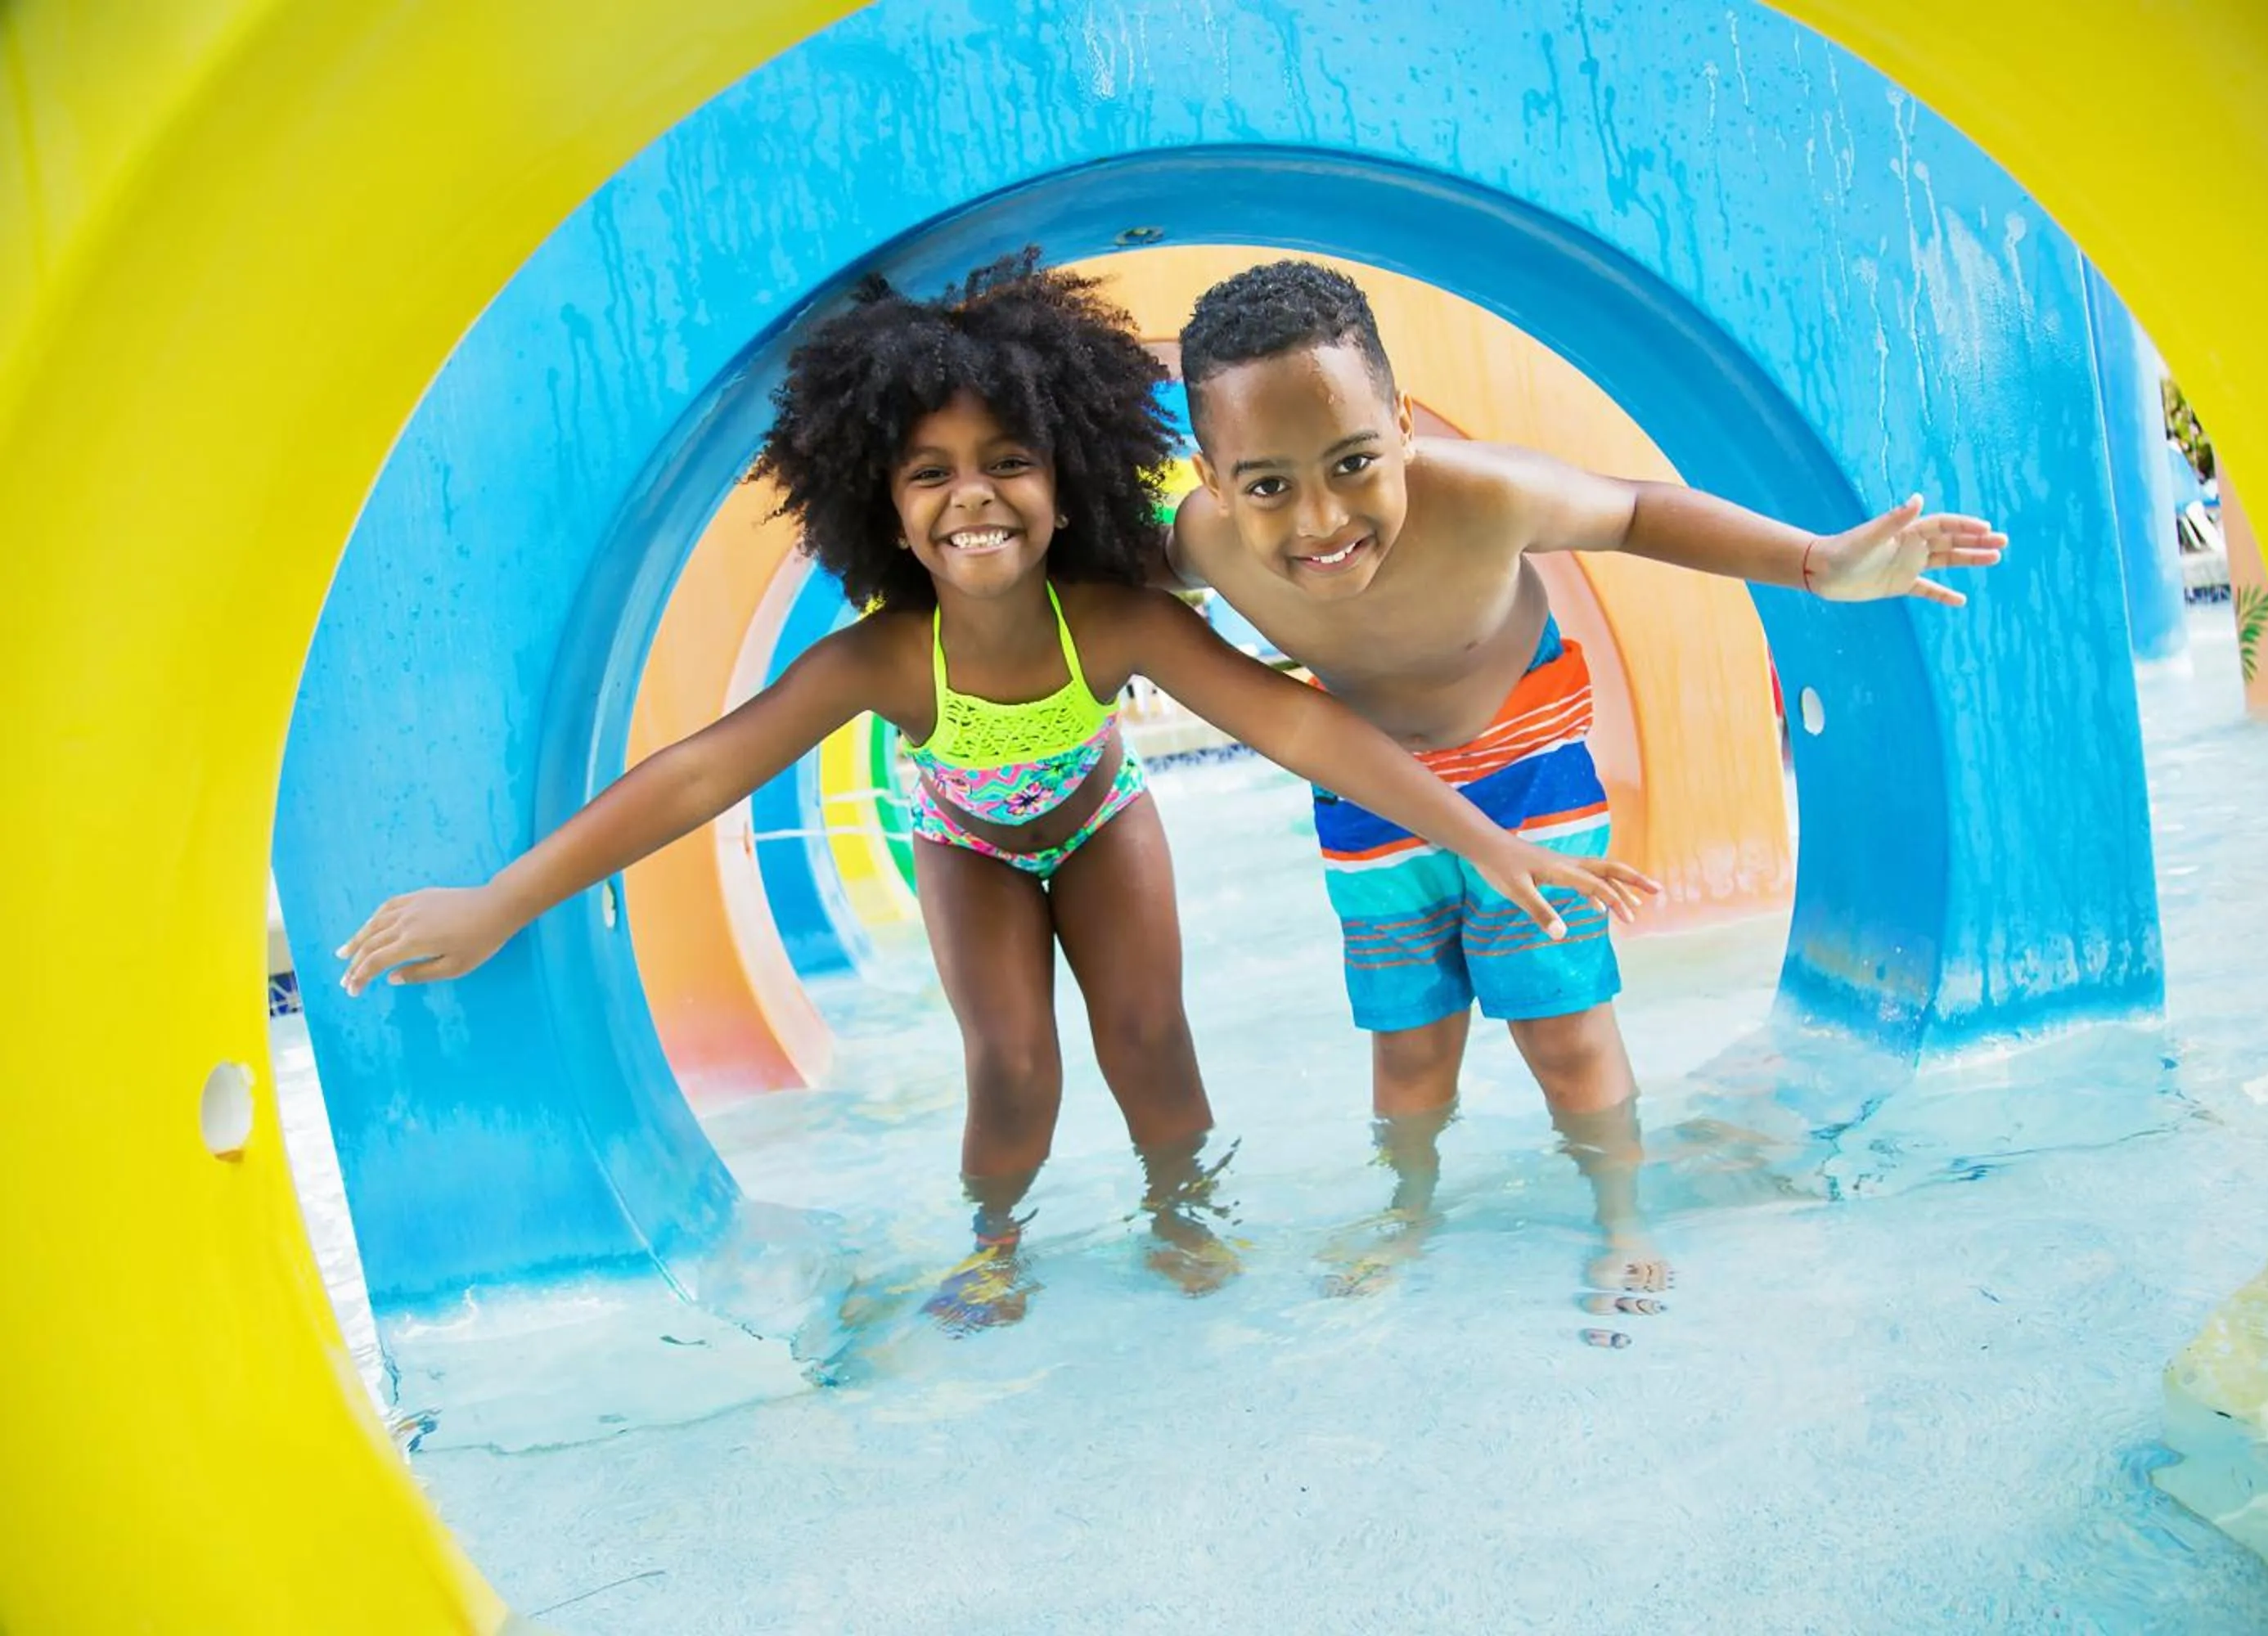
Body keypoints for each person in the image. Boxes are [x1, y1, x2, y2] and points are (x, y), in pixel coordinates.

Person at [335, 254, 1655, 1335]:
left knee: (1147, 1037)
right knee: (1013, 1063)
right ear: (884, 511)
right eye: (928, 475)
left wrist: (1488, 840)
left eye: (1009, 460)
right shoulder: (884, 658)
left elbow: (1298, 729)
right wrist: (502, 900)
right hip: (962, 836)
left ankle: (1181, 1212)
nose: (975, 498)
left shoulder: (1116, 622)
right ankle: (997, 1237)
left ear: (1067, 475)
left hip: (1095, 816)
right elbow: (698, 773)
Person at [1165, 259, 2007, 1305]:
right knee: (1408, 1047)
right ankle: (1409, 1214)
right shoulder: (1197, 545)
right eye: (1267, 485)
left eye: (1352, 462)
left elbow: (1637, 512)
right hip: (1368, 793)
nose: (1321, 518)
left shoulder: (1484, 496)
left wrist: (1816, 563)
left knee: (1563, 1029)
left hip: (1524, 762)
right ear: (1210, 479)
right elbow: (1081, 589)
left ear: (1406, 428)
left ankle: (1621, 1219)